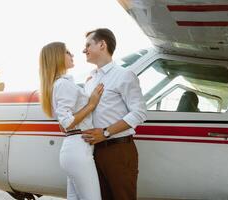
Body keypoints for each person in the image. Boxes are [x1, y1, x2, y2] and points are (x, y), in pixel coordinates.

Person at [82, 28, 148, 200]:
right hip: (95, 151)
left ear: (102, 45)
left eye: (88, 45)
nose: (84, 50)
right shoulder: (90, 80)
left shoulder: (124, 75)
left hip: (118, 151)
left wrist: (105, 132)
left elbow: (139, 112)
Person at [39, 42, 103, 200]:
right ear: (57, 57)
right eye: (67, 52)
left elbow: (62, 124)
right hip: (78, 150)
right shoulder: (63, 84)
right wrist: (92, 104)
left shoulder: (60, 84)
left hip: (74, 149)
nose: (72, 55)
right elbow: (66, 122)